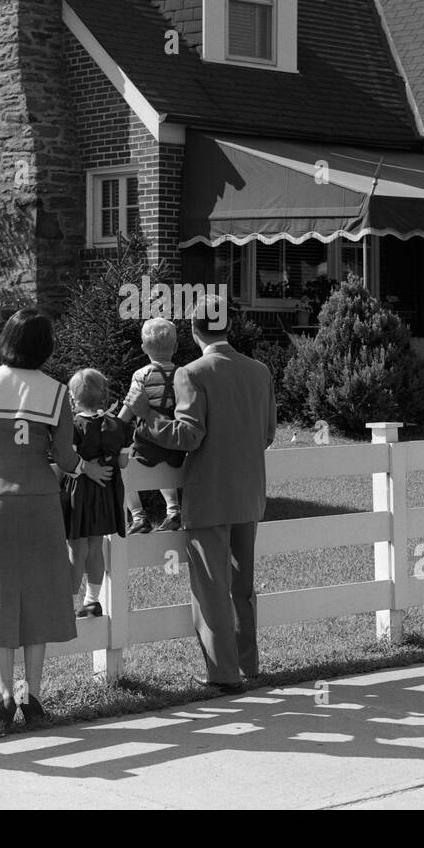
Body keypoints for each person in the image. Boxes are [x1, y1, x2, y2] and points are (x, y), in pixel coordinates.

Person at [0, 309, 113, 728]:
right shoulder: (57, 392)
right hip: (41, 500)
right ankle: (34, 696)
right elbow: (63, 456)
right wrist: (81, 470)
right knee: (40, 596)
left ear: (6, 339)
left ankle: (5, 696)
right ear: (45, 346)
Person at [124, 297, 276, 693]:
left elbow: (188, 436)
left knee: (211, 588)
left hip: (209, 495)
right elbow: (268, 434)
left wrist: (148, 414)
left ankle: (223, 674)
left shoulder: (192, 373)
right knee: (242, 587)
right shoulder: (259, 371)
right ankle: (249, 665)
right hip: (249, 492)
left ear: (194, 331)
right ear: (229, 327)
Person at [60, 368, 130, 617]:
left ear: (72, 398)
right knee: (96, 547)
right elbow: (123, 463)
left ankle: (66, 605)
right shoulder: (116, 426)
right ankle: (92, 600)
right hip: (105, 492)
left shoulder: (73, 425)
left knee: (76, 549)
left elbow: (66, 459)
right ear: (103, 395)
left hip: (80, 491)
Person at [120, 317, 184, 535]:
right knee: (166, 473)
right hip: (174, 439)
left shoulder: (141, 375)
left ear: (144, 347)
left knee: (124, 473)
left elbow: (129, 408)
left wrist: (113, 426)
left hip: (146, 439)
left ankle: (138, 517)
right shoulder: (183, 374)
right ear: (175, 346)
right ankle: (173, 511)